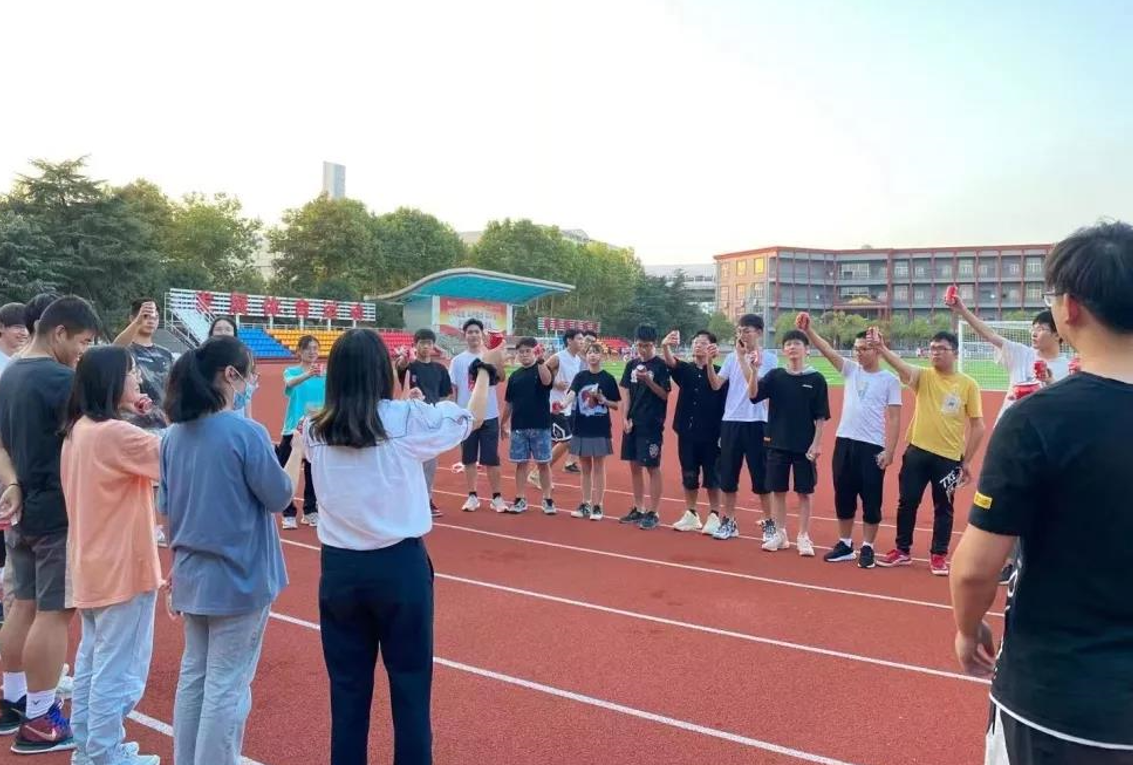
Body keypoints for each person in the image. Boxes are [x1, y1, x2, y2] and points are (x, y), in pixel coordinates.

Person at [950, 221, 1133, 763]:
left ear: (1069, 308)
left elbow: (975, 569)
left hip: (1056, 703)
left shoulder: (1038, 419)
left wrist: (967, 630)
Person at [288, 328, 499, 765]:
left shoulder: (314, 428)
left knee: (347, 694)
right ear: (382, 372)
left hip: (340, 571)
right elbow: (472, 417)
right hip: (398, 568)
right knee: (410, 690)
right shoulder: (405, 419)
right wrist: (483, 374)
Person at [160, 336, 292, 765]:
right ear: (230, 375)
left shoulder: (173, 436)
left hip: (193, 573)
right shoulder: (246, 432)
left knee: (195, 677)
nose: (252, 383)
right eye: (250, 374)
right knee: (226, 684)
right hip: (241, 577)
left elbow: (167, 509)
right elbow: (278, 495)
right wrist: (298, 451)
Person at [0, 295, 99, 753]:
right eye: (83, 342)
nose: (83, 352)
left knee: (22, 605)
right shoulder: (60, 380)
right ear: (59, 332)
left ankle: (13, 700)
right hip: (56, 510)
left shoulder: (10, 373)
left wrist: (11, 483)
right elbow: (96, 434)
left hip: (21, 508)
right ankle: (41, 718)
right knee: (54, 612)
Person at [61, 346, 162, 765]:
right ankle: (104, 751)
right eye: (131, 372)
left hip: (91, 562)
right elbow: (174, 457)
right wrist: (154, 416)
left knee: (92, 660)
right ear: (111, 382)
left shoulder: (79, 429)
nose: (137, 379)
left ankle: (89, 745)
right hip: (124, 565)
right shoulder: (116, 434)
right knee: (120, 669)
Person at [946, 296, 1070, 584]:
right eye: (1033, 328)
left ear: (1058, 334)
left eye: (1041, 328)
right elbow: (989, 334)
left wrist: (1049, 382)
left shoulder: (1069, 368)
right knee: (1004, 500)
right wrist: (962, 309)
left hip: (1043, 446)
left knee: (1039, 504)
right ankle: (1008, 562)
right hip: (1010, 441)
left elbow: (1067, 409)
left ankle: (1033, 561)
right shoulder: (1022, 355)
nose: (1034, 333)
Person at [872, 329, 986, 575]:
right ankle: (902, 550)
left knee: (943, 507)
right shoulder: (923, 377)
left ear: (955, 353)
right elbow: (901, 366)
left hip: (949, 458)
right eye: (932, 348)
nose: (935, 353)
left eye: (941, 349)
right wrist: (881, 349)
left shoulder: (968, 385)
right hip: (917, 452)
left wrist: (966, 461)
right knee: (907, 502)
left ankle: (939, 555)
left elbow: (978, 426)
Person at [798, 315, 902, 569]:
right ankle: (845, 544)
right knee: (843, 495)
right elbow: (828, 351)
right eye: (856, 349)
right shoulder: (851, 370)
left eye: (864, 349)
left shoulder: (890, 380)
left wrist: (889, 451)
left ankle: (867, 547)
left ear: (877, 350)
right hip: (845, 442)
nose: (859, 353)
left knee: (871, 499)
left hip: (872, 446)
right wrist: (809, 331)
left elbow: (894, 418)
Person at [746, 329, 830, 556]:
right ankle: (780, 533)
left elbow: (821, 416)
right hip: (777, 442)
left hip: (804, 445)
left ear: (806, 349)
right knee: (778, 490)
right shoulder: (775, 376)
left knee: (805, 492)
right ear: (784, 350)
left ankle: (803, 535)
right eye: (788, 344)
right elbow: (753, 395)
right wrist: (754, 371)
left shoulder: (816, 379)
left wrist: (816, 444)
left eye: (797, 343)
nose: (792, 347)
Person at [708, 314, 778, 541]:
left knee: (761, 477)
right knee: (728, 476)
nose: (742, 335)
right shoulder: (731, 358)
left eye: (747, 330)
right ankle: (729, 521)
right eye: (739, 331)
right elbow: (716, 384)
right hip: (731, 421)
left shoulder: (769, 359)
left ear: (759, 332)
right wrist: (709, 363)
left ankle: (769, 523)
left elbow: (754, 388)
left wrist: (741, 357)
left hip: (757, 422)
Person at [660, 330, 726, 532]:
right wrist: (665, 345)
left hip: (711, 433)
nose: (698, 345)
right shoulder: (685, 369)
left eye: (703, 342)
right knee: (689, 473)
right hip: (687, 431)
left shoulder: (720, 373)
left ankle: (714, 515)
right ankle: (691, 513)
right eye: (696, 342)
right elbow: (671, 362)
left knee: (712, 476)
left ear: (712, 347)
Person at [449, 319, 506, 513]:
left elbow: (502, 376)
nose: (473, 335)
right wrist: (455, 413)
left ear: (482, 334)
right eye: (470, 332)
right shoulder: (458, 361)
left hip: (489, 415)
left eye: (476, 332)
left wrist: (496, 359)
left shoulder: (489, 355)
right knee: (469, 459)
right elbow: (454, 389)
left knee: (492, 459)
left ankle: (497, 497)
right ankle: (472, 496)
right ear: (464, 335)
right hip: (467, 416)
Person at [395, 329, 453, 519]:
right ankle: (407, 498)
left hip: (431, 420)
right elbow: (401, 366)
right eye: (422, 343)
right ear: (415, 344)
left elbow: (445, 395)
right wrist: (404, 359)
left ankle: (426, 498)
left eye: (429, 343)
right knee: (410, 460)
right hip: (412, 419)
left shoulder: (440, 370)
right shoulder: (410, 367)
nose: (426, 346)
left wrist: (441, 416)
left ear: (433, 345)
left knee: (430, 462)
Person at [617, 325, 671, 530]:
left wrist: (648, 380)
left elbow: (664, 394)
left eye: (647, 346)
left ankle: (653, 511)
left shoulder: (660, 366)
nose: (643, 349)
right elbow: (626, 393)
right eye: (640, 345)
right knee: (634, 466)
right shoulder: (631, 365)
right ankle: (639, 508)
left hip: (651, 424)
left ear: (654, 344)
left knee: (652, 466)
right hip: (633, 423)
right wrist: (624, 417)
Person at [565, 343, 621, 520]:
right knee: (585, 467)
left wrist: (603, 400)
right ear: (586, 356)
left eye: (596, 352)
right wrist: (564, 404)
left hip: (600, 427)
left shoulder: (608, 378)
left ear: (601, 356)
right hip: (582, 426)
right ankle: (586, 503)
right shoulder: (580, 376)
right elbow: (572, 393)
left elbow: (616, 405)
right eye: (589, 352)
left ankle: (598, 505)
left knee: (598, 466)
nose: (592, 355)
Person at [501, 338, 556, 515]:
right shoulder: (515, 376)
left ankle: (547, 499)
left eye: (528, 351)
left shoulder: (542, 369)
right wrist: (503, 422)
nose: (524, 354)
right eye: (521, 352)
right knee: (521, 464)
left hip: (540, 425)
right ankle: (520, 498)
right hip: (519, 426)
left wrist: (540, 361)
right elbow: (509, 403)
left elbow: (547, 382)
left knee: (543, 464)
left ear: (534, 352)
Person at [277, 335, 324, 529]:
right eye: (308, 348)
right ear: (299, 352)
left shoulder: (323, 375)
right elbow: (290, 383)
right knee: (286, 469)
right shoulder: (291, 371)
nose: (312, 352)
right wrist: (308, 374)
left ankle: (310, 511)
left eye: (315, 348)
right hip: (293, 429)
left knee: (313, 474)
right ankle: (288, 513)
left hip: (316, 430)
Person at [113, 298, 174, 433]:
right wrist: (137, 323)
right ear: (132, 318)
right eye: (146, 317)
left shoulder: (166, 354)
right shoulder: (126, 350)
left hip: (163, 422)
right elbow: (114, 350)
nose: (151, 321)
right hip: (133, 421)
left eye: (155, 317)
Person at [542, 329, 586, 480]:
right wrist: (555, 383)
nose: (582, 342)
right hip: (553, 405)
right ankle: (538, 472)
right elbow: (540, 374)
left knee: (553, 441)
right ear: (569, 340)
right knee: (567, 440)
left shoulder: (578, 360)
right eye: (579, 339)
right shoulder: (558, 358)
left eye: (582, 339)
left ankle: (541, 472)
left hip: (565, 406)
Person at [208, 317, 256, 419]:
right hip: (209, 416)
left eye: (228, 329)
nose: (223, 332)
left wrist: (249, 419)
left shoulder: (244, 357)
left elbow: (247, 395)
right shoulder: (201, 357)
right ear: (211, 333)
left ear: (234, 334)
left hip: (237, 417)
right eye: (218, 329)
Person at [0, 303, 28, 375]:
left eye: (28, 328)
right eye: (18, 327)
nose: (25, 333)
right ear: (1, 327)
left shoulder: (30, 361)